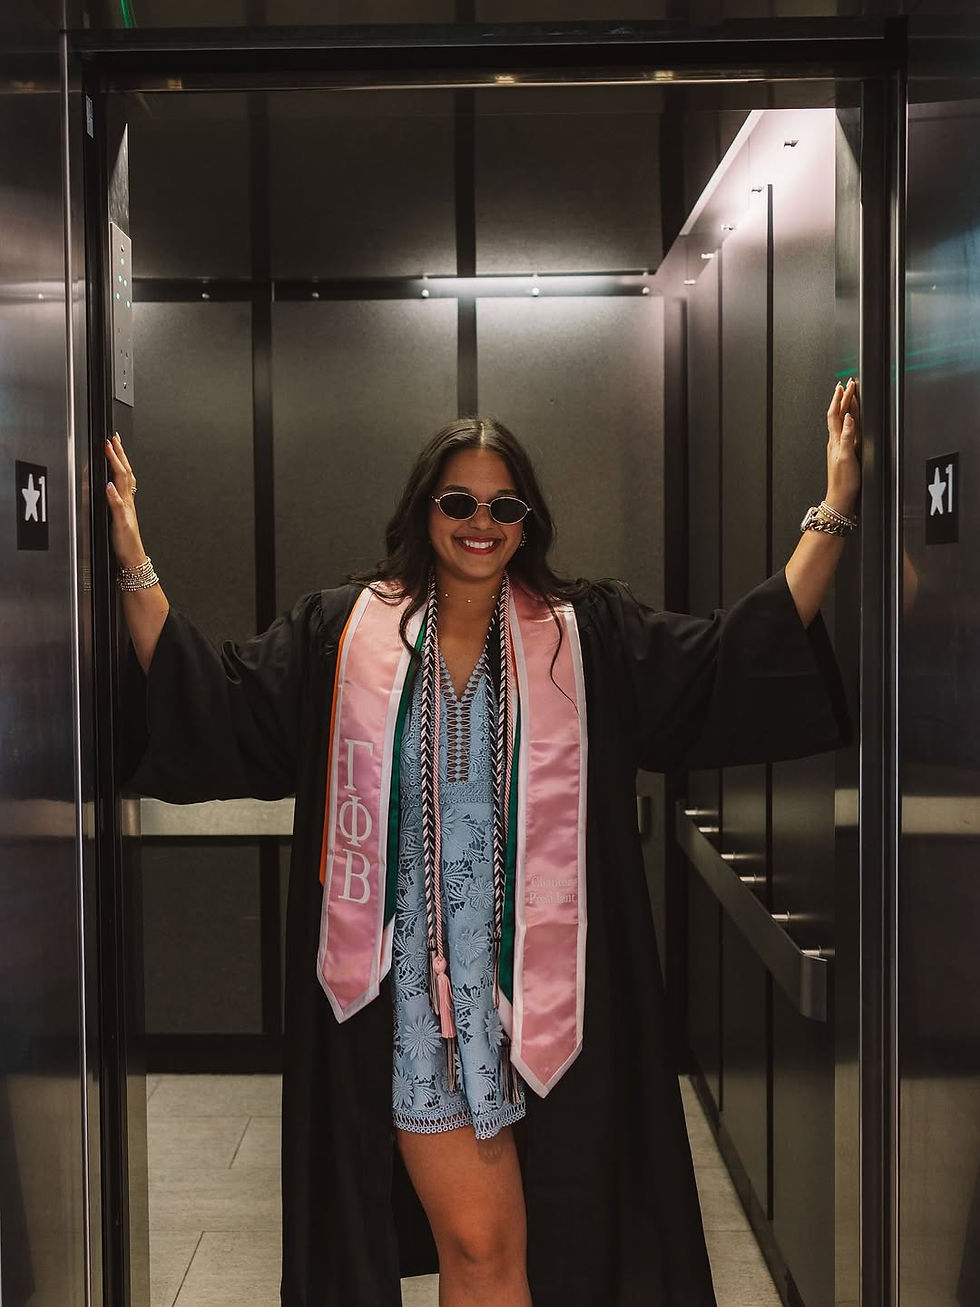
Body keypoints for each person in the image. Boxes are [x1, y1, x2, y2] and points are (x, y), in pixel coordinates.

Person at [107, 380, 860, 1307]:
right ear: (424, 508)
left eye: (503, 505)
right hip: (408, 1014)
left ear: (526, 518)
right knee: (478, 1240)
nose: (480, 522)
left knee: (506, 1254)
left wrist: (833, 506)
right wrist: (135, 559)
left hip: (543, 1013)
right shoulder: (342, 634)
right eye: (459, 501)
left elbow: (727, 660)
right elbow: (216, 700)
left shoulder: (584, 637)